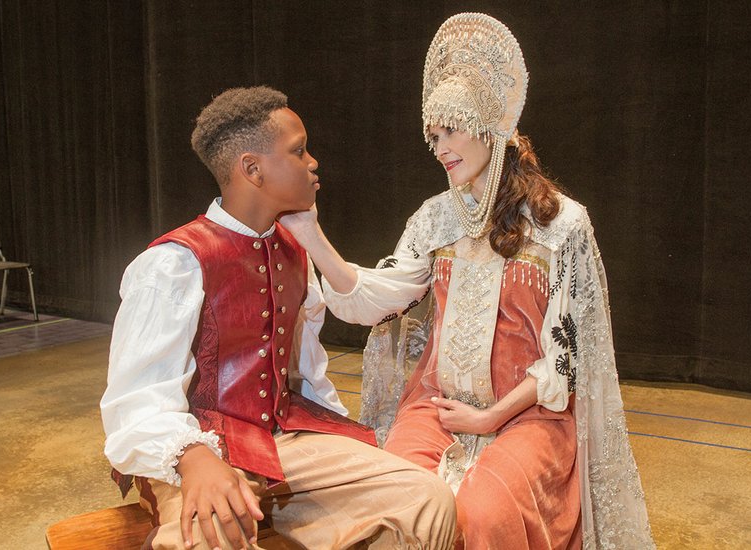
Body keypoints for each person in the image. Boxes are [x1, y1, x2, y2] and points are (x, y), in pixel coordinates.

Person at [280, 14, 655, 550]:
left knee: (481, 514)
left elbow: (564, 361)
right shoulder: (435, 218)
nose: (440, 147)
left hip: (528, 415)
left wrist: (489, 418)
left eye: (451, 129)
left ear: (488, 124)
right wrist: (312, 235)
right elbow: (374, 301)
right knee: (400, 503)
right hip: (437, 405)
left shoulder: (561, 225)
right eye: (433, 135)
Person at [100, 86, 456, 550]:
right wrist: (193, 458)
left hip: (281, 438)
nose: (313, 163)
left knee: (427, 499)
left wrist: (339, 443)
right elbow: (136, 401)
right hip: (195, 451)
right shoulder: (175, 263)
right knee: (217, 532)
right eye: (298, 150)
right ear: (252, 169)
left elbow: (306, 373)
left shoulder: (294, 253)